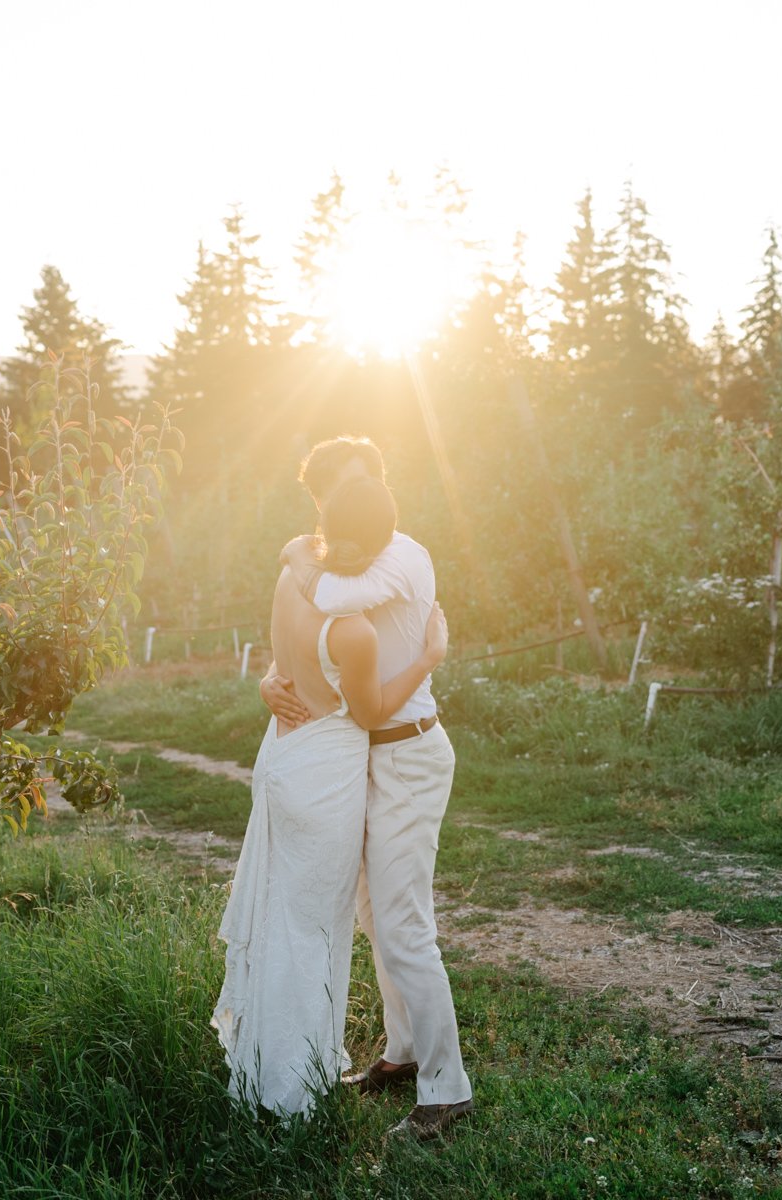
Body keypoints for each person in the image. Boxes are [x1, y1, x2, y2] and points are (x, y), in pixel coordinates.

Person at [211, 475, 447, 1119]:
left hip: (285, 759)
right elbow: (369, 715)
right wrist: (428, 658)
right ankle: (292, 1083)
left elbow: (281, 658)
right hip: (330, 777)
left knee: (283, 916)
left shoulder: (291, 578)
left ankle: (264, 1064)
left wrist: (268, 681)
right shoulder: (354, 631)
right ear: (377, 544)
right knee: (315, 929)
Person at [263, 436, 475, 1139]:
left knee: (406, 924)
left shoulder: (398, 555)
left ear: (380, 490)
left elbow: (324, 595)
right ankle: (404, 1054)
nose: (344, 511)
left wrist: (296, 555)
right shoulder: (340, 552)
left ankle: (447, 1091)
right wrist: (270, 677)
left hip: (408, 752)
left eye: (356, 492)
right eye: (330, 501)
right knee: (374, 915)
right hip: (361, 755)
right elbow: (306, 633)